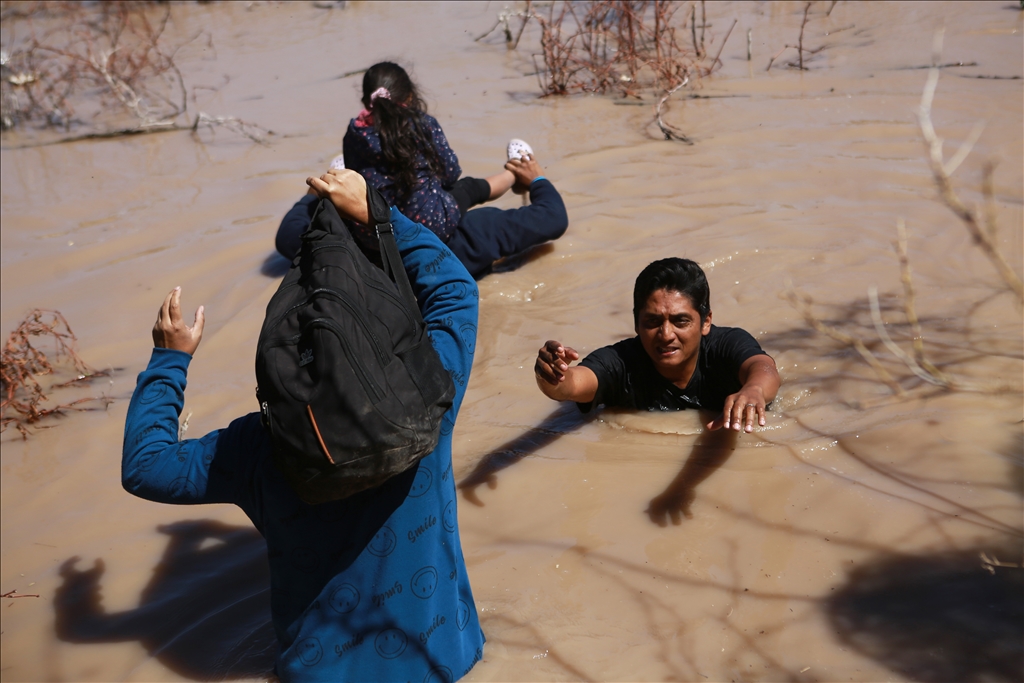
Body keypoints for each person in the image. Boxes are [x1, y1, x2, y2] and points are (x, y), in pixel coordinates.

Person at [123, 169, 485, 681]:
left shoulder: (257, 447)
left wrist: (169, 361)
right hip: (441, 664)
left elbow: (146, 465)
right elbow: (455, 293)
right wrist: (377, 215)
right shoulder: (429, 395)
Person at [275, 62, 568, 279]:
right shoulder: (470, 238)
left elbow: (286, 240)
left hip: (376, 246)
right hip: (441, 234)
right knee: (463, 189)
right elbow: (554, 218)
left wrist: (315, 195)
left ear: (367, 103)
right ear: (411, 98)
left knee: (298, 234)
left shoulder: (354, 135)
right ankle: (521, 173)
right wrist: (539, 180)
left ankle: (322, 187)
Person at [534, 257, 780, 432]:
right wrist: (552, 375)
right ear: (636, 323)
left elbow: (762, 367)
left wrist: (754, 390)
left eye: (680, 321)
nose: (666, 334)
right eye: (652, 321)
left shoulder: (725, 346)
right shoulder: (621, 363)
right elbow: (572, 385)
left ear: (706, 322)